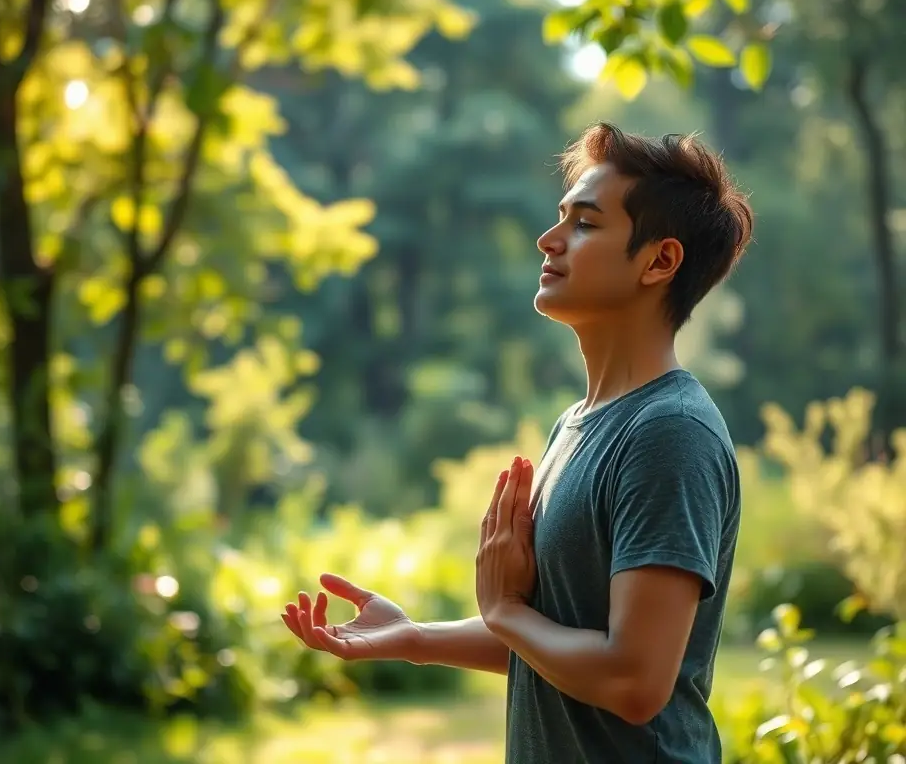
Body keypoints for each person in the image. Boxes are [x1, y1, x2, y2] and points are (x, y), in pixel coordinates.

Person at [281, 121, 752, 763]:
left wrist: (505, 610)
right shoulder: (579, 424)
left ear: (660, 261)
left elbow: (632, 680)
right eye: (562, 217)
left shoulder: (669, 433)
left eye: (585, 224)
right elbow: (553, 643)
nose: (549, 239)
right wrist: (414, 636)